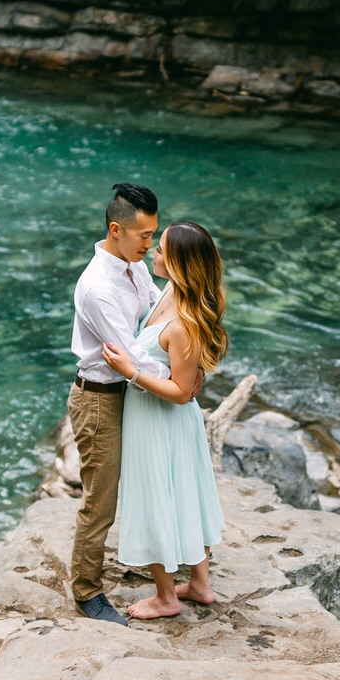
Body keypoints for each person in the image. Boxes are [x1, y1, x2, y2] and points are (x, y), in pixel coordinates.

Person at [101, 221, 229, 619]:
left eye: (161, 251)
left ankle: (166, 597)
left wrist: (131, 372)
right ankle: (200, 585)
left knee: (155, 497)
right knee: (185, 495)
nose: (153, 253)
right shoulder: (170, 292)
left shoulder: (183, 325)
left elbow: (179, 390)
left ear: (178, 264)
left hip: (160, 423)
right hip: (160, 422)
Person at [67, 183, 172, 626]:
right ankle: (87, 592)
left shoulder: (134, 267)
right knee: (101, 500)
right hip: (100, 401)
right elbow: (130, 353)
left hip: (131, 392)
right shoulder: (98, 288)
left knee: (145, 484)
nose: (151, 246)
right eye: (144, 236)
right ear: (116, 229)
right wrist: (176, 381)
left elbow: (153, 316)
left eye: (154, 236)